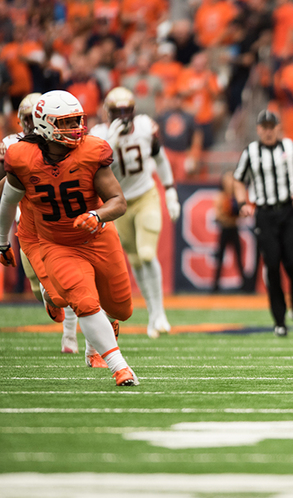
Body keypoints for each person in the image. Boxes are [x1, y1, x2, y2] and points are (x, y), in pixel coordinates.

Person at [0, 90, 138, 386]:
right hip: (56, 243)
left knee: (121, 309)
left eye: (77, 120)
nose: (75, 128)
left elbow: (117, 201)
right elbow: (8, 200)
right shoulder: (21, 156)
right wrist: (1, 240)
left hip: (98, 237)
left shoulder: (91, 151)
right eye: (66, 122)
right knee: (83, 301)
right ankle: (120, 368)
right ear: (45, 124)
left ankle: (103, 330)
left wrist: (97, 215)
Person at [90, 87, 180, 339]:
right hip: (117, 205)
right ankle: (153, 313)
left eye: (126, 110)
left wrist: (170, 191)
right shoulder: (99, 135)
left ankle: (159, 314)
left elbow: (160, 158)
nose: (122, 116)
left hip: (145, 196)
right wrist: (111, 143)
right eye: (116, 111)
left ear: (133, 111)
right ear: (107, 113)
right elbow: (91, 167)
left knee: (147, 254)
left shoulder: (144, 127)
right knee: (136, 260)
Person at [232, 110, 293, 337]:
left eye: (271, 127)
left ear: (278, 127)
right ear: (259, 129)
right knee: (272, 266)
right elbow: (238, 180)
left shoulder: (291, 147)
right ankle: (279, 319)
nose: (268, 131)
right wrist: (242, 202)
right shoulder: (251, 152)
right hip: (265, 214)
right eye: (264, 127)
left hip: (289, 212)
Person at [212, 172, 247, 292]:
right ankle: (215, 285)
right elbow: (218, 215)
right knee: (220, 257)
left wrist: (236, 212)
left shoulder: (236, 197)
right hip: (225, 229)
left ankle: (245, 285)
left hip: (234, 228)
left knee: (239, 257)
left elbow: (241, 214)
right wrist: (227, 214)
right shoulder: (221, 197)